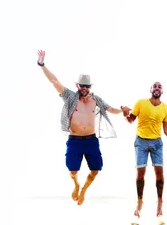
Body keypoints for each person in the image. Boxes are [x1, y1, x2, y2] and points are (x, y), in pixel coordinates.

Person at [37, 49, 124, 206]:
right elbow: (54, 81)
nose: (84, 88)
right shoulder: (70, 96)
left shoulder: (96, 99)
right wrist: (42, 64)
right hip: (74, 140)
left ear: (90, 86)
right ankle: (76, 185)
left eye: (86, 86)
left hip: (91, 140)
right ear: (77, 85)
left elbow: (111, 109)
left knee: (96, 170)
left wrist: (123, 111)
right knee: (72, 171)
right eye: (81, 85)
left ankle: (83, 189)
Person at [121, 82, 167, 218]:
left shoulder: (166, 109)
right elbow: (131, 120)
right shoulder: (141, 103)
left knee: (159, 173)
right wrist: (125, 114)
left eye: (159, 87)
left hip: (157, 143)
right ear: (151, 90)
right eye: (155, 86)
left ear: (162, 91)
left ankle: (159, 203)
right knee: (141, 173)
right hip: (141, 141)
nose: (157, 88)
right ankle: (139, 202)